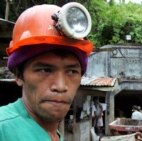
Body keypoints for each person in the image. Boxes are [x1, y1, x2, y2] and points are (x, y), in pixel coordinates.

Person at [0, 3, 93, 141]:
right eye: (45, 70)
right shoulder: (3, 129)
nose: (61, 86)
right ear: (18, 75)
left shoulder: (54, 135)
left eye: (72, 71)